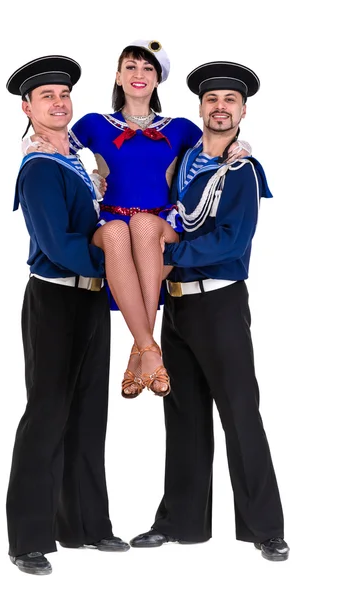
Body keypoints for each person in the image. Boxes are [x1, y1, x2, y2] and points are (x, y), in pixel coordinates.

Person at [24, 41, 251, 399]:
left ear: (158, 79)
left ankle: (140, 350)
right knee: (121, 235)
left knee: (146, 230)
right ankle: (146, 349)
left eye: (148, 69)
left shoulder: (179, 128)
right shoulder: (95, 123)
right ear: (118, 75)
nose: (138, 75)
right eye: (130, 67)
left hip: (160, 227)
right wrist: (31, 146)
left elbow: (214, 143)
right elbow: (55, 141)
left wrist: (242, 147)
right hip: (112, 225)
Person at [130, 61, 290, 562]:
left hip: (219, 302)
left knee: (240, 412)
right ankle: (179, 521)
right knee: (182, 413)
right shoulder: (186, 159)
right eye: (211, 100)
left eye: (230, 101)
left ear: (243, 110)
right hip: (176, 305)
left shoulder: (242, 170)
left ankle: (266, 528)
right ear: (201, 107)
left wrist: (167, 256)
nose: (220, 108)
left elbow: (232, 240)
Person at [6, 55, 129, 576]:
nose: (59, 103)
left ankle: (86, 526)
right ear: (27, 106)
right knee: (47, 415)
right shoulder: (37, 168)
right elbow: (58, 245)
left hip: (90, 299)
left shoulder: (77, 158)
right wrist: (121, 267)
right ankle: (28, 540)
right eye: (47, 96)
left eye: (64, 94)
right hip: (54, 298)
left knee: (88, 414)